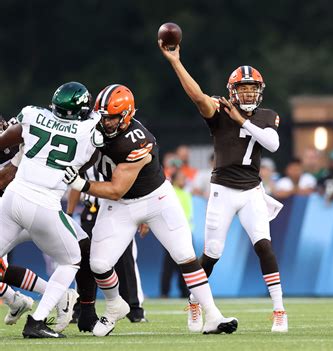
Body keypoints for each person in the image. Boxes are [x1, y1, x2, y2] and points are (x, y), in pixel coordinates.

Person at [63, 84, 237, 336]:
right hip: (119, 207)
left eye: (112, 117)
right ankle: (114, 306)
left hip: (155, 200)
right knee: (99, 264)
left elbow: (116, 189)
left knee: (185, 256)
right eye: (102, 116)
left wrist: (80, 183)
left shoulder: (138, 141)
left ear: (126, 115)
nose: (106, 122)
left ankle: (212, 315)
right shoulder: (95, 123)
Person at [160, 41, 288, 332]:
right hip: (223, 190)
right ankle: (195, 300)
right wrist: (176, 62)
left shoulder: (265, 115)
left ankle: (279, 309)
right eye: (243, 89)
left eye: (252, 88)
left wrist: (242, 120)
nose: (248, 93)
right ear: (233, 91)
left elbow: (273, 143)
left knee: (264, 246)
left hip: (253, 190)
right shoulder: (219, 111)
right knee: (213, 253)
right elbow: (196, 97)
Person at [0, 82, 100, 338]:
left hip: (13, 197)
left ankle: (34, 306)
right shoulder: (89, 129)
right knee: (72, 259)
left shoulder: (34, 114)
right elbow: (90, 158)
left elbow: (10, 136)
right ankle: (37, 321)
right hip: (43, 205)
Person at [67, 168, 148, 326]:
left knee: (126, 259)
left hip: (119, 210)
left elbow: (135, 182)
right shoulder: (86, 153)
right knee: (85, 260)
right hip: (91, 211)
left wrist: (142, 214)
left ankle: (134, 308)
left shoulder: (118, 150)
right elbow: (76, 183)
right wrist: (69, 215)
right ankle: (81, 308)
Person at [160, 169, 191, 298]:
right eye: (181, 177)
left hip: (185, 233)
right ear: (175, 179)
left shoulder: (185, 193)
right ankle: (165, 292)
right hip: (172, 233)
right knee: (169, 266)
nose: (184, 179)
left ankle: (184, 291)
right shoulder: (170, 193)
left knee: (184, 265)